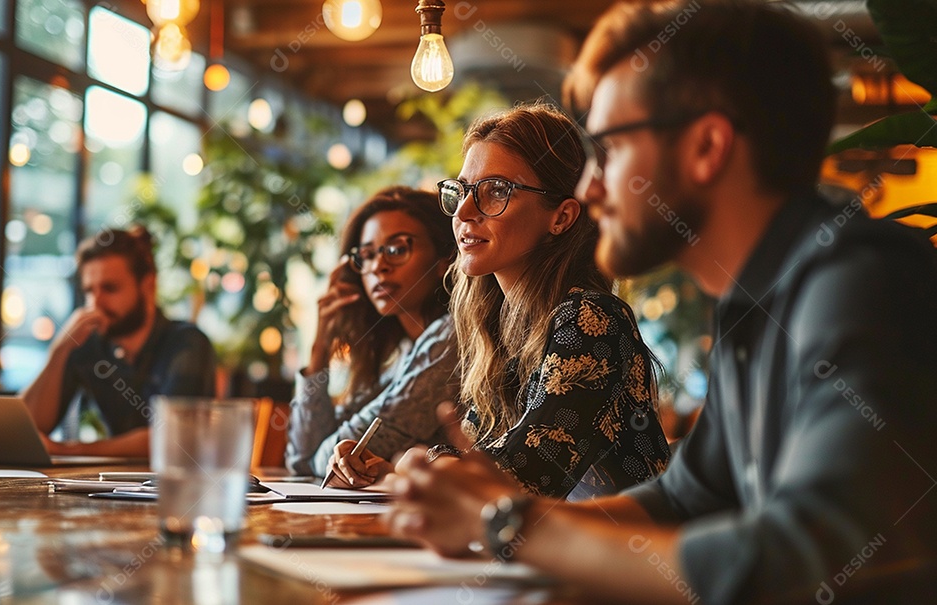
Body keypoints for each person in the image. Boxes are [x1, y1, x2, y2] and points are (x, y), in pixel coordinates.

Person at [386, 1, 937, 603]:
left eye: (610, 149)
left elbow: (806, 558)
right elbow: (683, 499)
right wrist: (490, 513)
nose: (591, 188)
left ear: (706, 147)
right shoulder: (753, 301)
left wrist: (511, 525)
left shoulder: (860, 280)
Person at [331, 104, 671, 498]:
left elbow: (522, 477)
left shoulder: (590, 319)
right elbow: (480, 468)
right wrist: (386, 472)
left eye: (497, 191)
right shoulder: (498, 329)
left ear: (560, 217)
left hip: (618, 555)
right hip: (539, 556)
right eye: (461, 191)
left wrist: (414, 463)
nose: (464, 211)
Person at [285, 186, 460, 478]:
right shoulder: (398, 355)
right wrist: (319, 351)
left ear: (445, 259)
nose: (378, 266)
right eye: (366, 255)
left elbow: (321, 460)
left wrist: (334, 457)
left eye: (397, 249)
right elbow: (302, 459)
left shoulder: (450, 339)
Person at [22, 226, 216, 458]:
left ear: (148, 285)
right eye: (89, 291)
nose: (96, 303)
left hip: (178, 487)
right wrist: (59, 351)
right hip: (115, 488)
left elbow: (171, 437)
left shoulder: (187, 343)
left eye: (110, 288)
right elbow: (27, 428)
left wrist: (67, 450)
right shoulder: (89, 345)